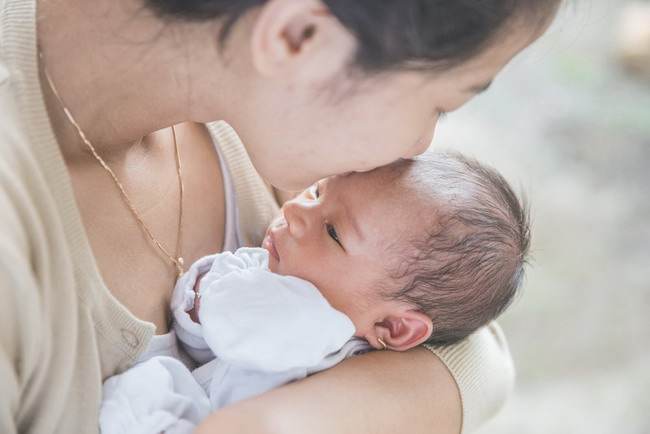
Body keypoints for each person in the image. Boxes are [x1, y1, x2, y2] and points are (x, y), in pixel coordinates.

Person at [0, 0, 561, 433]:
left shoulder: (258, 121)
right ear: (298, 37)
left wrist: (274, 423)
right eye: (441, 102)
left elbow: (478, 349)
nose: (419, 145)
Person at [99, 152, 531, 434]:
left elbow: (218, 319)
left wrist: (202, 294)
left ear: (394, 327)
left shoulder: (307, 322)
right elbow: (203, 340)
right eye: (319, 190)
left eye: (333, 232)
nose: (296, 210)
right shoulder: (316, 290)